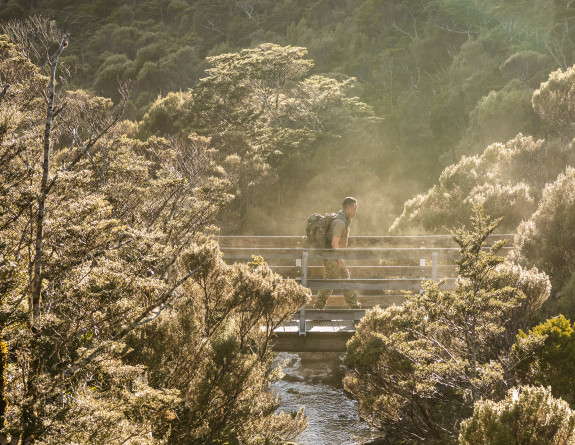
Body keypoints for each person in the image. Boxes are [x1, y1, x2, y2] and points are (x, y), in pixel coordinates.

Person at [313, 197, 361, 309]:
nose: (356, 211)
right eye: (354, 209)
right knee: (333, 283)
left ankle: (318, 308)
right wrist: (340, 260)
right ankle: (355, 309)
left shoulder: (343, 220)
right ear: (348, 208)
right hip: (333, 258)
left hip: (334, 257)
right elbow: (335, 244)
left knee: (332, 283)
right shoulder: (340, 222)